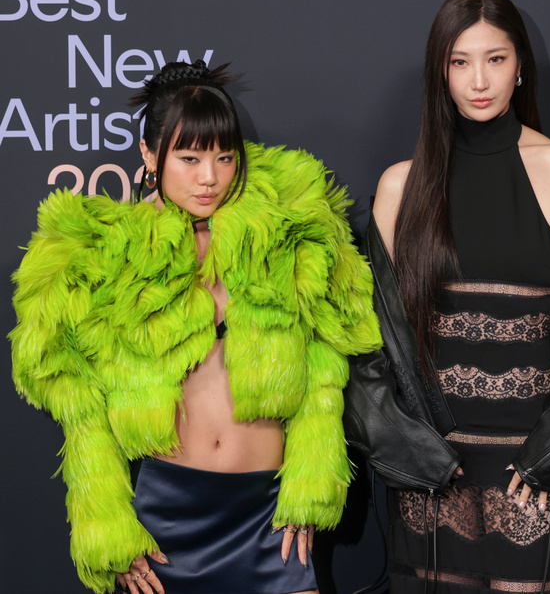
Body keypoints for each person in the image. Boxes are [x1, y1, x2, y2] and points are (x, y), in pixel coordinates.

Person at [10, 60, 381, 594]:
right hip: (167, 521)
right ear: (149, 155)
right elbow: (79, 405)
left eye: (224, 158)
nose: (209, 178)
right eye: (189, 158)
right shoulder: (103, 256)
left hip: (269, 518)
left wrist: (313, 478)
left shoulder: (286, 236)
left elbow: (325, 362)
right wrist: (105, 522)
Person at [343, 0, 550, 594]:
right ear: (440, 72)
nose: (478, 81)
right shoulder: (401, 186)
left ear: (520, 66)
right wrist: (406, 449)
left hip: (533, 460)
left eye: (495, 59)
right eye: (460, 62)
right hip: (432, 465)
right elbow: (368, 337)